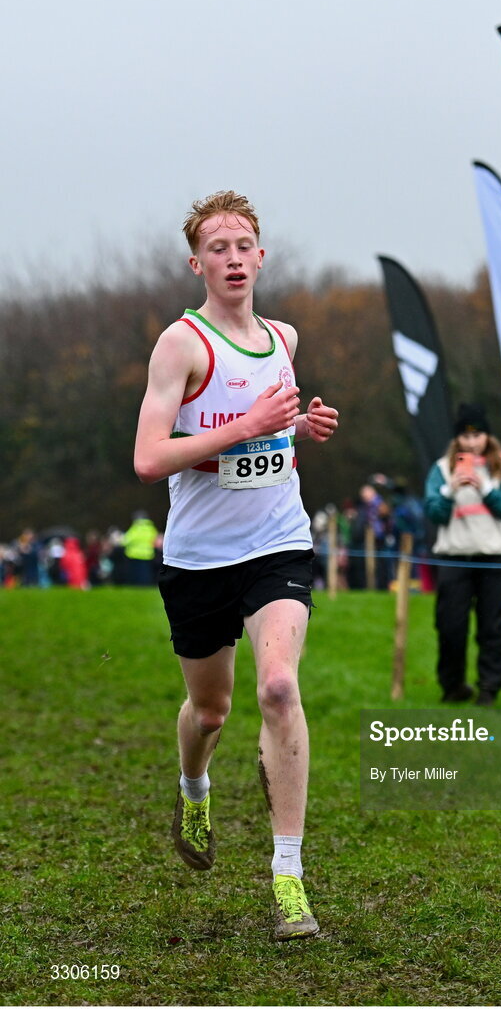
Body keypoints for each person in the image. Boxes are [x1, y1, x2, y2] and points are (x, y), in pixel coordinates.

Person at [133, 190, 338, 941]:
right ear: (198, 264)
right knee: (211, 711)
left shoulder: (284, 338)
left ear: (261, 255)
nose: (233, 258)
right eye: (217, 248)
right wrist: (241, 431)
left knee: (280, 687)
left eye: (243, 244)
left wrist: (300, 429)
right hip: (198, 560)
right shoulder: (181, 346)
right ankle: (194, 786)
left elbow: (271, 438)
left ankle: (289, 878)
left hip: (278, 542)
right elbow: (149, 459)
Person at [423, 403, 501, 706]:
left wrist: (488, 488)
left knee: (492, 627)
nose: (471, 442)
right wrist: (449, 491)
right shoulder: (442, 469)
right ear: (457, 439)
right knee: (450, 625)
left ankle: (489, 688)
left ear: (487, 437)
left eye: (478, 435)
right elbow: (434, 513)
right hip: (456, 557)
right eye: (465, 437)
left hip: (497, 557)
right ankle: (453, 686)